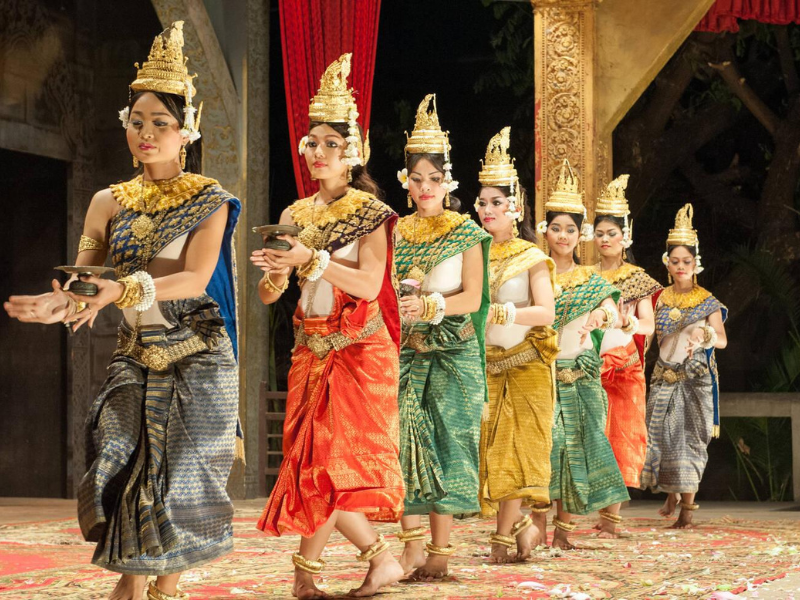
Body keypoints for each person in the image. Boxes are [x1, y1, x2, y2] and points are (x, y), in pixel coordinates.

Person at [4, 22, 241, 600]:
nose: (146, 133)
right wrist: (59, 301)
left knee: (179, 479)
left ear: (187, 130)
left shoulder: (210, 200)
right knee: (119, 453)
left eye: (161, 123)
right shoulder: (107, 202)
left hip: (199, 356)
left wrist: (121, 290)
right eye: (137, 122)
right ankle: (135, 586)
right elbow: (87, 279)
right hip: (137, 356)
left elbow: (193, 277)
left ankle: (155, 586)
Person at [253, 54, 405, 599]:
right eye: (310, 143)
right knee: (310, 463)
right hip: (310, 347)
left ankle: (308, 575)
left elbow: (368, 285)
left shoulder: (371, 214)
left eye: (330, 145)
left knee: (328, 464)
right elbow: (280, 291)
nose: (317, 153)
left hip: (359, 349)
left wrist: (308, 260)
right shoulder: (295, 214)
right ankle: (376, 560)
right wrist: (273, 276)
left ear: (352, 152)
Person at [393, 94, 490, 580]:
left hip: (454, 352)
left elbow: (473, 298)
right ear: (405, 181)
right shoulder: (395, 231)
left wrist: (431, 305)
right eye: (417, 178)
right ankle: (410, 548)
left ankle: (441, 551)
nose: (425, 187)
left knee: (449, 443)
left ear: (448, 181)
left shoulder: (465, 232)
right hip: (406, 351)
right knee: (405, 443)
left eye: (434, 178)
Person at [536, 160, 629, 550]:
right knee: (545, 451)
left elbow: (611, 310)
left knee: (577, 452)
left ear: (581, 234)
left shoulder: (592, 280)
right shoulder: (534, 271)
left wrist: (600, 315)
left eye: (570, 229)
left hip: (581, 378)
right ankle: (536, 532)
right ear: (546, 231)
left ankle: (564, 533)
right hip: (541, 375)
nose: (563, 235)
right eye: (556, 227)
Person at [474, 127, 556, 563]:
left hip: (526, 367)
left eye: (497, 202)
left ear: (516, 206)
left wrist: (504, 313)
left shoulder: (532, 256)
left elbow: (546, 312)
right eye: (483, 202)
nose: (488, 210)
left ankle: (503, 536)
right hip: (484, 367)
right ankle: (520, 526)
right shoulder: (471, 252)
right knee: (485, 451)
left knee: (514, 453)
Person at [640, 204, 728, 529]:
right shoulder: (659, 299)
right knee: (661, 439)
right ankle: (672, 495)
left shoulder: (708, 302)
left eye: (686, 262)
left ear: (696, 264)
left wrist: (704, 334)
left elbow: (721, 340)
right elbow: (648, 336)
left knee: (689, 441)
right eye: (675, 261)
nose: (680, 267)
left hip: (694, 381)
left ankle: (687, 510)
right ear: (667, 262)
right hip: (663, 377)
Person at [592, 175, 661, 537]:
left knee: (620, 436)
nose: (605, 239)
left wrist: (627, 321)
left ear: (625, 237)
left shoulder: (638, 280)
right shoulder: (585, 277)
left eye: (612, 234)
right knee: (591, 437)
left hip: (625, 367)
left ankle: (611, 517)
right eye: (600, 233)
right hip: (589, 365)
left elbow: (649, 326)